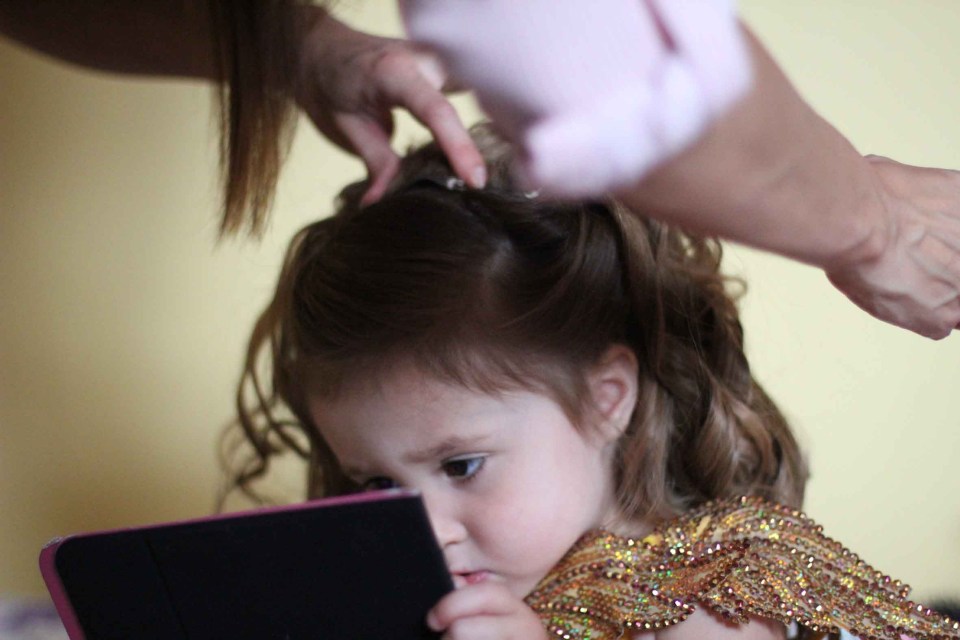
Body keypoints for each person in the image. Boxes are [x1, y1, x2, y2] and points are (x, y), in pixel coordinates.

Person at [223, 127, 960, 639]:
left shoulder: (706, 600)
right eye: (379, 485)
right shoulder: (460, 594)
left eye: (461, 466)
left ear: (608, 398)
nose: (426, 528)